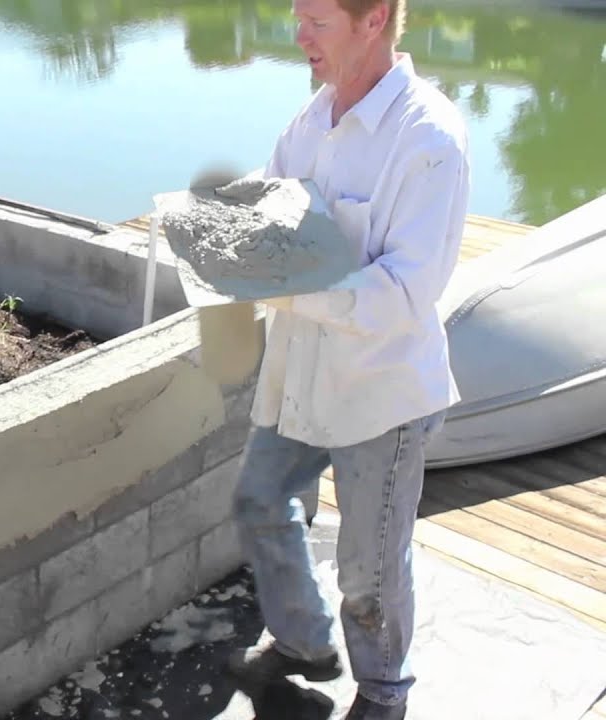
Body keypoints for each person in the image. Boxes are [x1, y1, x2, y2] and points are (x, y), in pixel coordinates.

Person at [223, 0, 470, 719]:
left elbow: (404, 293)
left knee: (368, 567)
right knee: (262, 502)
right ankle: (302, 643)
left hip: (379, 395)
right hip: (298, 380)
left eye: (317, 20)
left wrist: (292, 282)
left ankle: (384, 692)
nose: (298, 35)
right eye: (297, 17)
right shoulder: (308, 122)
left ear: (375, 19)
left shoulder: (429, 140)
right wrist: (222, 227)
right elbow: (270, 206)